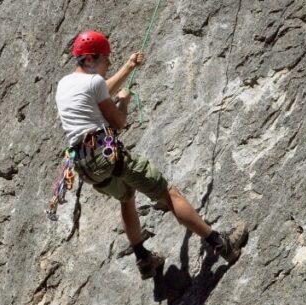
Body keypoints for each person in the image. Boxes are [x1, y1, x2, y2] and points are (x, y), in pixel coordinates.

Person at [55, 30, 246, 278]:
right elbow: (119, 120)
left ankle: (144, 259)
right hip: (106, 155)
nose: (109, 64)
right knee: (168, 194)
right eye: (105, 60)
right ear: (90, 59)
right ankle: (222, 245)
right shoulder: (94, 83)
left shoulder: (65, 84)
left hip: (85, 166)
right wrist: (124, 101)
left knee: (127, 198)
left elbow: (98, 92)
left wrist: (128, 67)